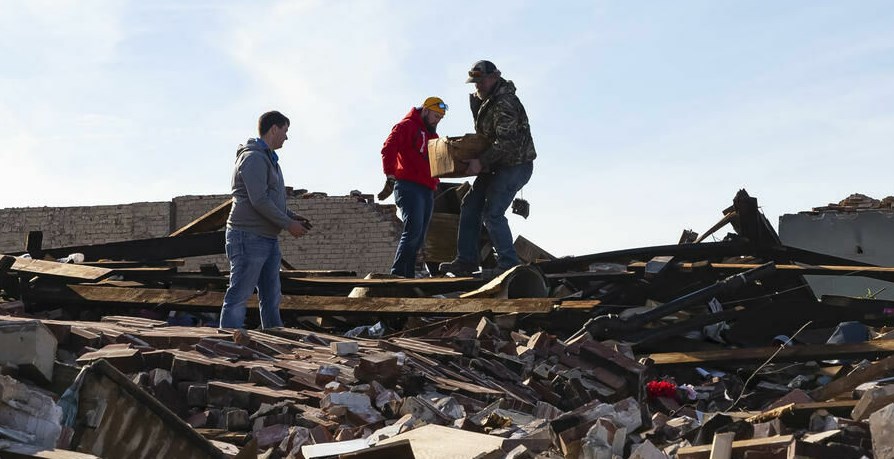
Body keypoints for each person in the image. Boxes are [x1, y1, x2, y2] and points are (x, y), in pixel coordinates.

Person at [439, 60, 536, 276]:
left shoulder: (505, 103)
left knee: (493, 213)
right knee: (470, 205)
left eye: (481, 81)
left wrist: (481, 162)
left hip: (514, 166)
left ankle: (508, 264)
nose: (477, 86)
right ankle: (466, 261)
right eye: (475, 82)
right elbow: (487, 139)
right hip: (495, 165)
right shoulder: (487, 102)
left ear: (494, 77)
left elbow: (507, 142)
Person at [220, 110, 310, 329]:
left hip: (267, 238)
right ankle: (226, 345)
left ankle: (275, 340)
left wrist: (290, 216)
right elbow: (259, 200)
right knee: (239, 294)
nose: (286, 137)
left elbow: (270, 199)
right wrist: (288, 224)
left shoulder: (269, 160)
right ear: (274, 129)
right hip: (248, 236)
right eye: (285, 131)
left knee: (271, 297)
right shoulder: (253, 158)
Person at [378, 97, 447, 277]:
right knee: (413, 230)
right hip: (408, 186)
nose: (438, 120)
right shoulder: (406, 126)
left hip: (427, 189)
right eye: (436, 115)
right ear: (425, 110)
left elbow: (435, 164)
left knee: (420, 236)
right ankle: (397, 274)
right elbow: (388, 148)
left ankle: (408, 277)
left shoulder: (433, 137)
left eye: (441, 117)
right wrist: (390, 176)